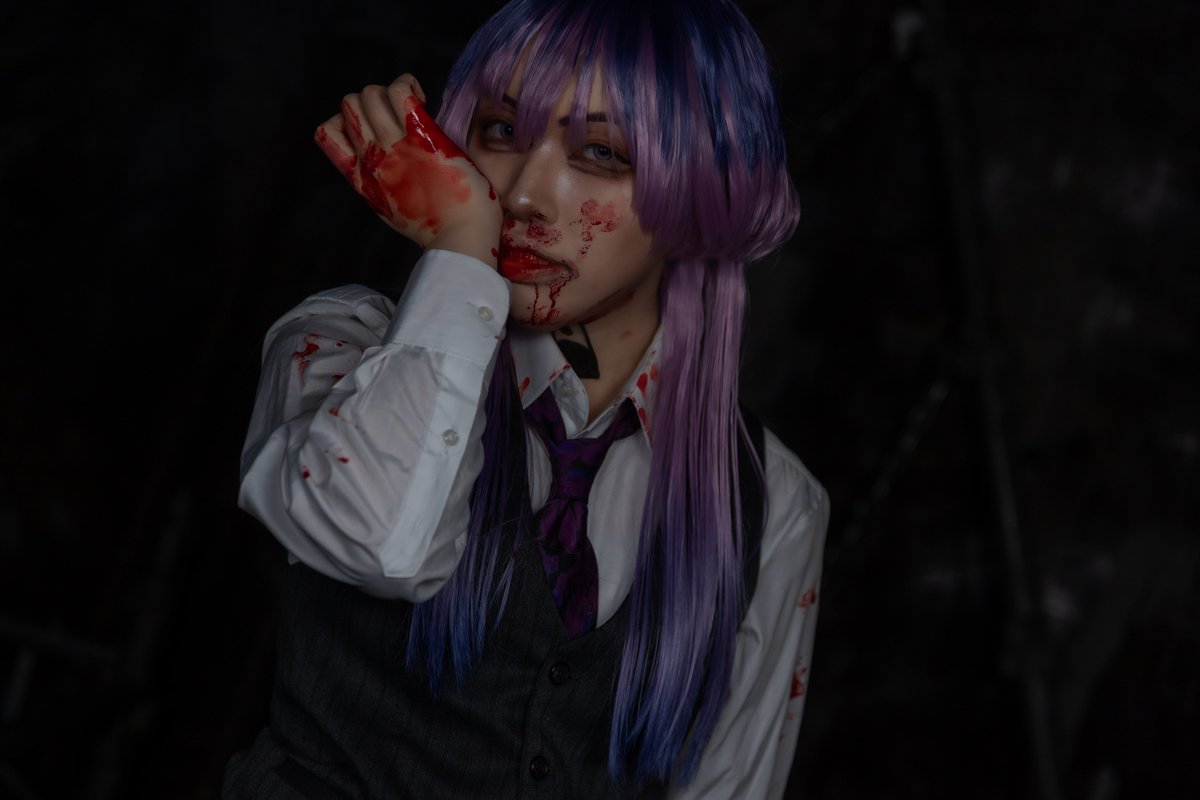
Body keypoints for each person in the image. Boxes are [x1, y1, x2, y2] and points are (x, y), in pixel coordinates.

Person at [223, 0, 828, 797]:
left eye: (602, 152)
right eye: (501, 131)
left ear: (702, 197)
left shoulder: (772, 502)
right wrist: (461, 255)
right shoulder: (337, 345)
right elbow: (382, 544)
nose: (522, 198)